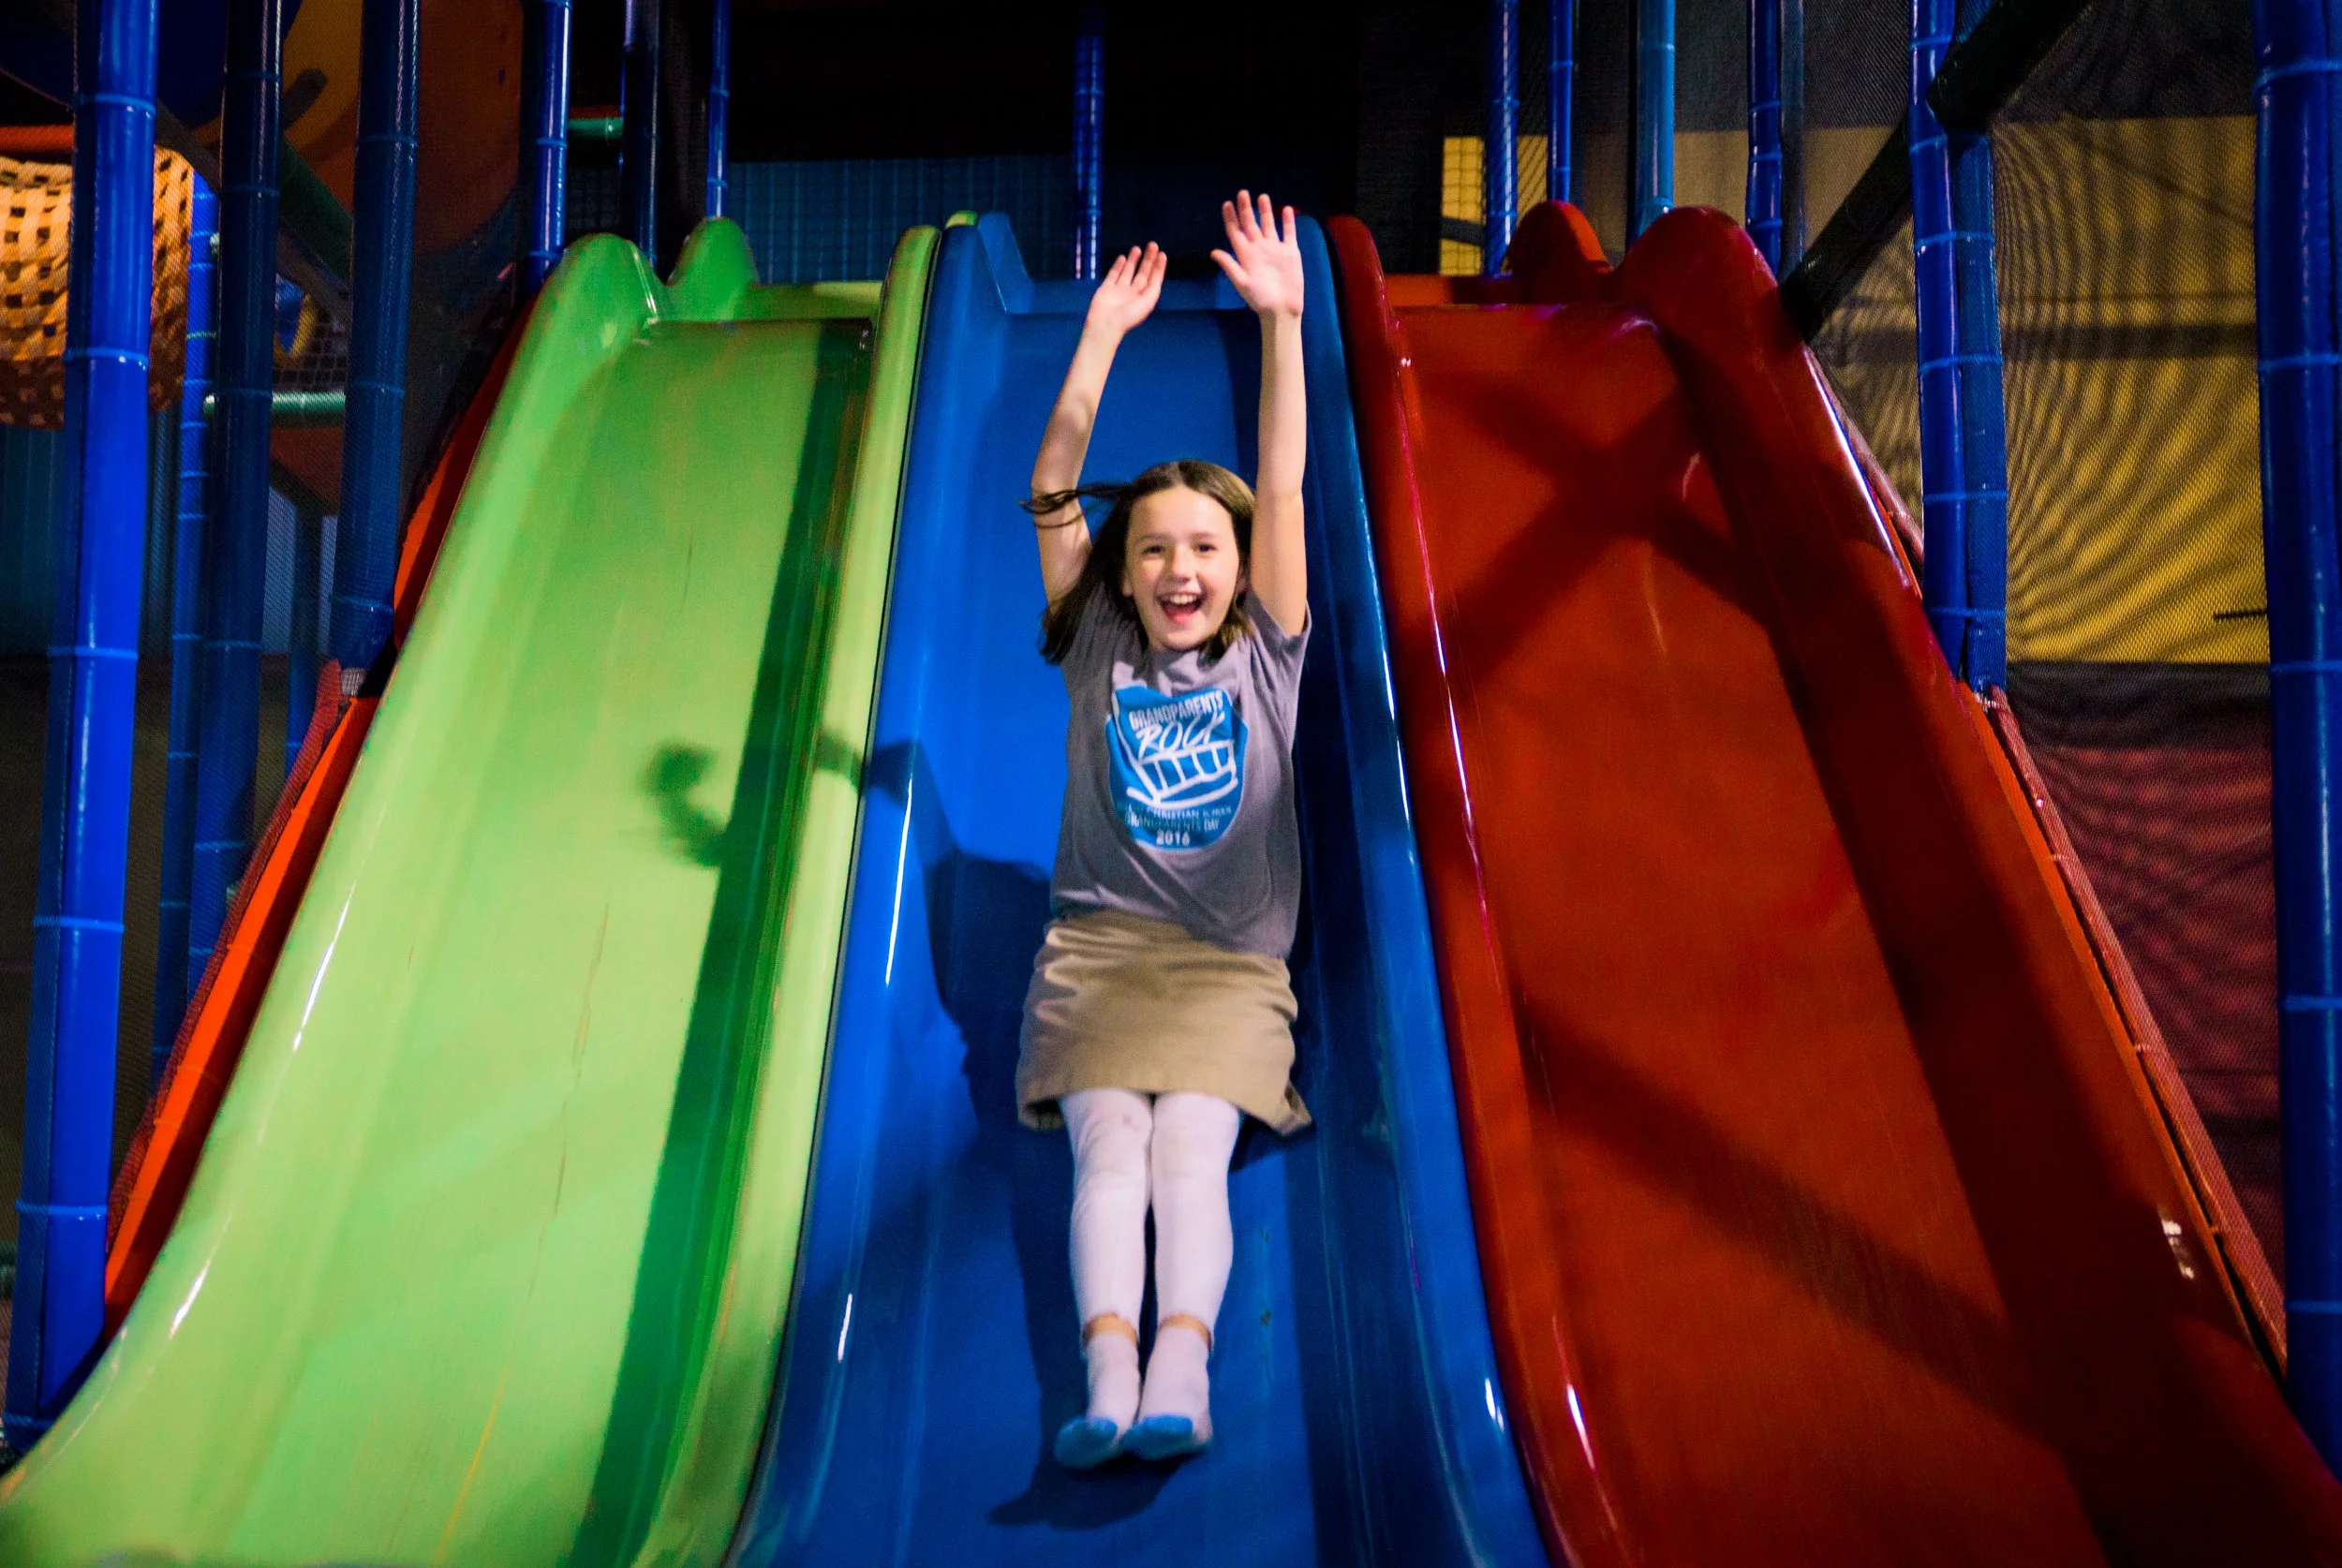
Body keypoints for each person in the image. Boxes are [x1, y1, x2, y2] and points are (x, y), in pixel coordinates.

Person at [1015, 192, 1312, 1470]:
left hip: (1232, 972)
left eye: (1204, 546)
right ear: (1122, 573)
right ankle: (1107, 1373)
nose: (1179, 568)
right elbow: (1049, 491)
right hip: (1096, 960)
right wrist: (1096, 344)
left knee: (1189, 1141)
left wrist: (1284, 322)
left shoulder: (1270, 657)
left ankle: (1182, 1364)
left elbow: (1284, 480)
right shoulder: (1095, 650)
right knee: (1110, 1149)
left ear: (1241, 567)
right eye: (1152, 550)